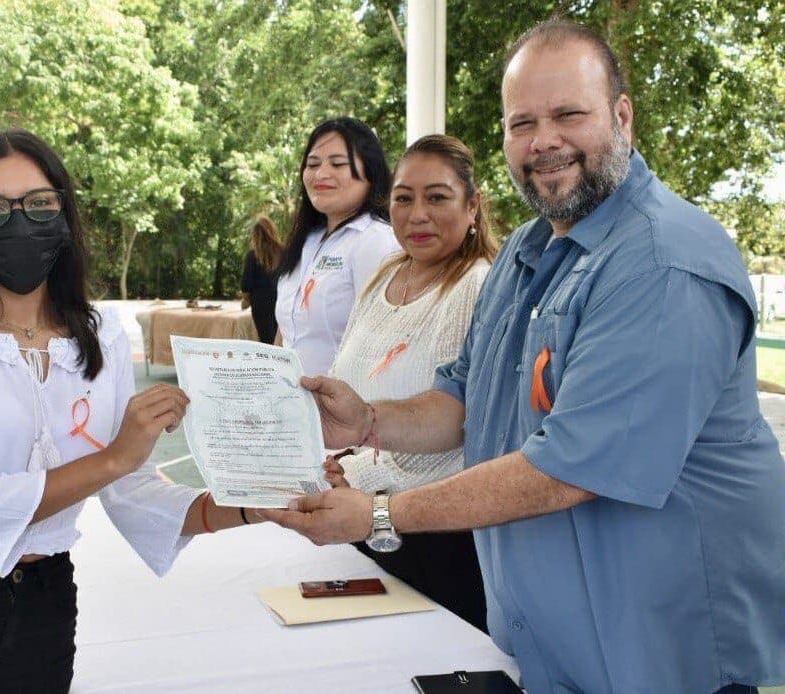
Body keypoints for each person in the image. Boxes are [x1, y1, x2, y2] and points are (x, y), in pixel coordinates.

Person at [263, 20, 785, 694]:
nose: (545, 141)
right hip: (543, 646)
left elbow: (570, 468)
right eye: (522, 122)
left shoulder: (663, 260)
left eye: (570, 114)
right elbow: (461, 400)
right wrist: (365, 420)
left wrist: (381, 514)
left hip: (660, 652)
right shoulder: (524, 252)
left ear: (622, 116)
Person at [0, 128, 256, 693]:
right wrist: (113, 458)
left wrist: (256, 506)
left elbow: (133, 490)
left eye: (38, 204)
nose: (20, 222)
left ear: (64, 212)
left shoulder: (99, 334)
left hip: (45, 610)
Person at [324, 134, 497, 632]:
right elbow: (348, 387)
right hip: (362, 520)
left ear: (473, 206)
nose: (417, 214)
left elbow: (461, 430)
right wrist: (344, 468)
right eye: (403, 198)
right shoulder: (384, 277)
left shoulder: (479, 286)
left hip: (437, 536)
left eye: (437, 197)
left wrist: (365, 481)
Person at [274, 117, 401, 376]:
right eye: (313, 164)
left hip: (340, 408)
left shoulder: (375, 240)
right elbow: (284, 334)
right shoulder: (307, 240)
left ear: (371, 172)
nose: (321, 174)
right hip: (290, 407)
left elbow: (380, 343)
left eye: (338, 164)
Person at [240, 214, 282, 344]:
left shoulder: (253, 256)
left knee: (266, 340)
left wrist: (245, 300)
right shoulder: (283, 252)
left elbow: (246, 284)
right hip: (281, 299)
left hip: (260, 303)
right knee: (281, 338)